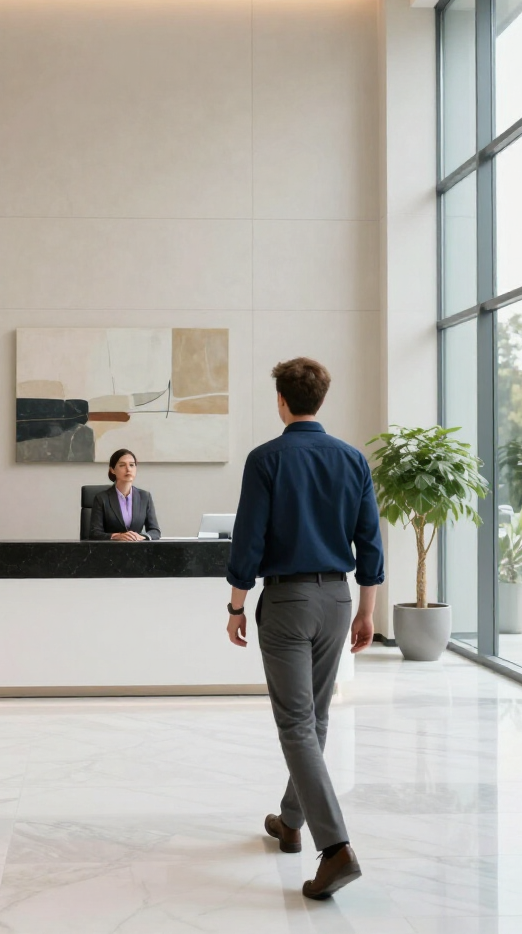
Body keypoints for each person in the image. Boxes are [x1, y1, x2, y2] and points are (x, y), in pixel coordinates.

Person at [225, 357, 383, 900]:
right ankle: (290, 822)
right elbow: (370, 540)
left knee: (296, 724)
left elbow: (248, 538)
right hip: (338, 598)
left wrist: (236, 604)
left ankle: (335, 847)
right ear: (321, 399)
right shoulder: (352, 459)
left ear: (281, 401)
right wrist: (367, 609)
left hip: (288, 601)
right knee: (314, 720)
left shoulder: (265, 459)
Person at [89, 449, 161, 541]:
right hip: (109, 551)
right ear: (112, 470)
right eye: (122, 465)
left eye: (132, 465)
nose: (128, 469)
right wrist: (117, 536)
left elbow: (155, 531)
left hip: (137, 551)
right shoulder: (101, 498)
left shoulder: (145, 497)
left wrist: (142, 537)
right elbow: (94, 533)